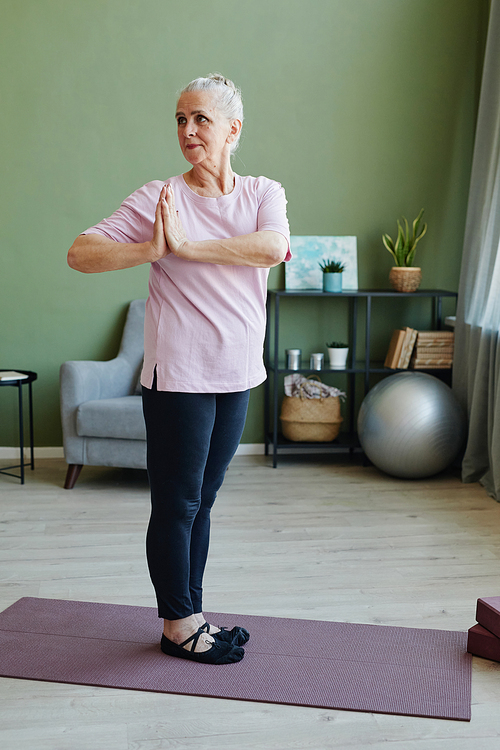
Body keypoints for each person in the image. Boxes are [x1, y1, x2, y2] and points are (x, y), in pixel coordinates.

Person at [68, 74, 290, 665]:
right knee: (177, 503)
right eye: (180, 120)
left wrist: (189, 248)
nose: (188, 131)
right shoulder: (159, 197)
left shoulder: (263, 193)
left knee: (206, 499)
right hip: (179, 377)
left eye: (201, 119)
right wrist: (152, 249)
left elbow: (271, 248)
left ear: (232, 129)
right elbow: (81, 252)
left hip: (237, 374)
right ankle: (178, 624)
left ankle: (191, 611)